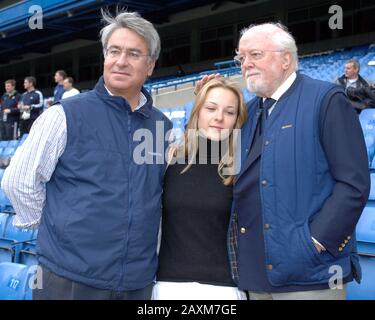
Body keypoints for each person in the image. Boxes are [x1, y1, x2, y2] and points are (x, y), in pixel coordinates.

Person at [2, 10, 172, 300]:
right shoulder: (64, 115)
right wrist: (61, 227)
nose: (121, 60)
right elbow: (18, 182)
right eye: (114, 51)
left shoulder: (161, 126)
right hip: (67, 277)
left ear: (151, 65)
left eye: (133, 53)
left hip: (137, 281)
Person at [196, 23, 370, 300]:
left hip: (309, 274)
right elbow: (210, 161)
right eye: (241, 58)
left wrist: (315, 242)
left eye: (255, 55)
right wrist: (204, 103)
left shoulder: (325, 99)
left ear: (285, 58)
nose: (245, 64)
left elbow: (353, 183)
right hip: (253, 273)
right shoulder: (249, 111)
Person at [153, 78, 247, 300]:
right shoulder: (169, 160)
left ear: (238, 119)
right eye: (211, 108)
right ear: (197, 112)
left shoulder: (243, 168)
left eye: (230, 112)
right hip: (167, 286)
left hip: (224, 289)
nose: (219, 118)